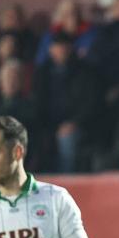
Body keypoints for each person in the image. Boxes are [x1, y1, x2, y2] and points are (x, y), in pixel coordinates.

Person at [33, 32, 101, 173]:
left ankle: (65, 181)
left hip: (77, 124)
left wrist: (74, 123)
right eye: (57, 47)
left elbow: (91, 104)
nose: (61, 50)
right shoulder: (43, 72)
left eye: (64, 47)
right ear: (50, 50)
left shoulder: (85, 72)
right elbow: (39, 104)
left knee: (67, 139)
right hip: (48, 124)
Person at [34, 0, 97, 66]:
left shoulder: (90, 33)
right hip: (56, 70)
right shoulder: (50, 35)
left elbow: (92, 57)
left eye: (73, 13)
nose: (71, 17)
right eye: (65, 14)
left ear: (79, 15)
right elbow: (40, 60)